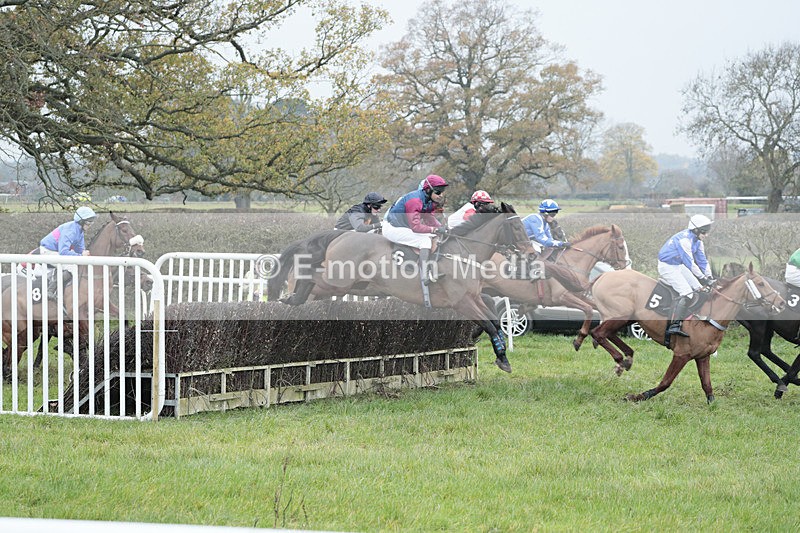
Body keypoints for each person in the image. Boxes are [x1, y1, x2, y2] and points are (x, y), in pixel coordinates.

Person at [384, 175, 448, 307]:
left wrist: (442, 228)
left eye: (442, 192)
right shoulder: (415, 201)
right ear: (428, 190)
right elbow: (416, 227)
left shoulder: (426, 199)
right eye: (438, 192)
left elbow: (429, 217)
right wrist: (434, 230)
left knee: (430, 237)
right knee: (425, 241)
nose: (441, 195)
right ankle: (425, 274)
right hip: (392, 228)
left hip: (402, 225)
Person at [657, 214, 715, 337]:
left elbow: (702, 261)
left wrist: (709, 277)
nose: (706, 235)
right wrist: (703, 278)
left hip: (679, 265)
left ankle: (695, 318)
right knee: (687, 293)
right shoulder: (685, 240)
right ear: (696, 230)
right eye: (704, 232)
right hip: (667, 266)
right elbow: (690, 263)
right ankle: (675, 325)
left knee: (700, 289)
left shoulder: (698, 242)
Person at [39, 206, 97, 298]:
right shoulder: (70, 230)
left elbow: (79, 249)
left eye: (91, 221)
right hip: (48, 251)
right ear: (81, 221)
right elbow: (63, 252)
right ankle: (50, 290)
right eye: (89, 221)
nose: (91, 224)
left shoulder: (79, 231)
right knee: (71, 267)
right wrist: (81, 255)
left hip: (56, 252)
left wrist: (84, 253)